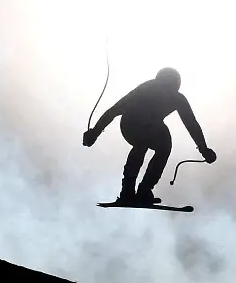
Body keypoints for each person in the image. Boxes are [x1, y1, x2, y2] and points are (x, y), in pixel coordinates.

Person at [83, 67, 217, 205]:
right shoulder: (146, 89)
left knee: (162, 143)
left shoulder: (176, 98)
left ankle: (143, 189)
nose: (164, 92)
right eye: (163, 88)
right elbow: (115, 110)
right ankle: (129, 190)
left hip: (151, 128)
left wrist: (203, 148)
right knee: (142, 144)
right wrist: (95, 132)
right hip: (131, 124)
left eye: (168, 89)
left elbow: (191, 124)